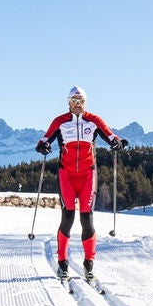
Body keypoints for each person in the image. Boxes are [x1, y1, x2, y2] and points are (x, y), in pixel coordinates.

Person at [35, 86, 128, 283]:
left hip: (88, 175)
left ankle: (89, 264)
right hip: (66, 175)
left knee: (87, 219)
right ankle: (62, 263)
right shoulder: (60, 122)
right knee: (67, 217)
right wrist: (42, 146)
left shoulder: (94, 121)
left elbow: (111, 136)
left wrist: (118, 143)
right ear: (68, 103)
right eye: (74, 101)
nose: (77, 105)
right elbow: (43, 139)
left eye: (81, 102)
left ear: (85, 103)